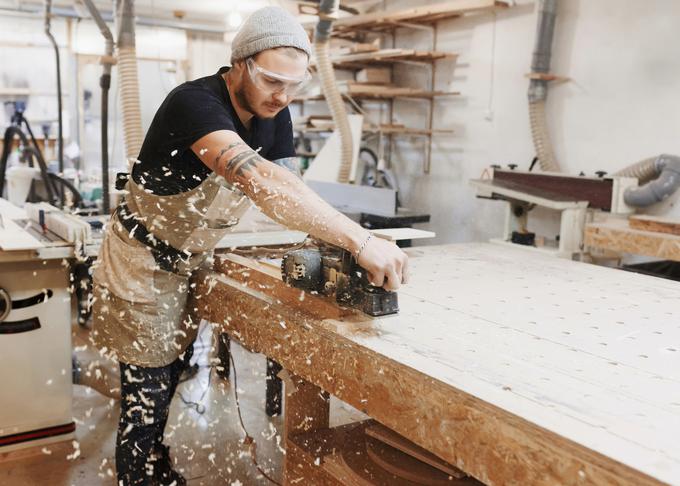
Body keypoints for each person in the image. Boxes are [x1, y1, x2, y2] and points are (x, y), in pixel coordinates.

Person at [90, 6, 408, 485]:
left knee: (173, 373)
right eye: (271, 82)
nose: (282, 97)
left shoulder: (272, 112)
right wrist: (360, 239)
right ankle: (138, 473)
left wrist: (335, 242)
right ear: (239, 64)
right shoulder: (194, 104)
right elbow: (261, 182)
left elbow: (290, 186)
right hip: (142, 262)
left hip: (193, 257)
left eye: (293, 86)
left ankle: (156, 464)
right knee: (145, 395)